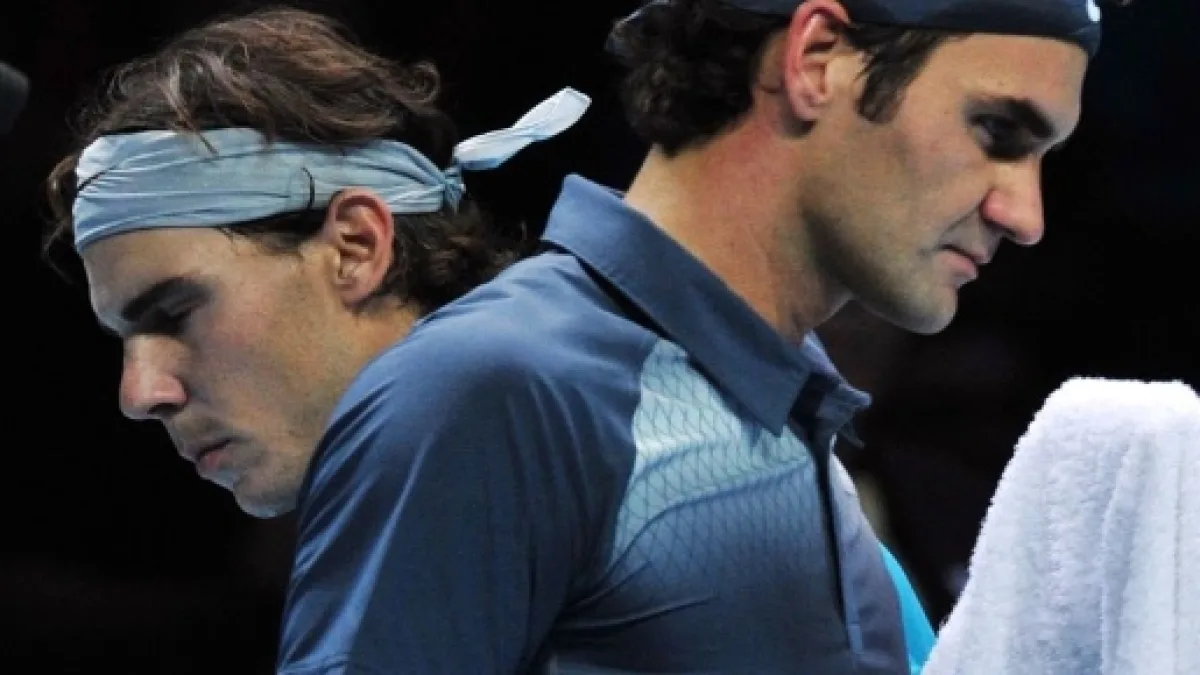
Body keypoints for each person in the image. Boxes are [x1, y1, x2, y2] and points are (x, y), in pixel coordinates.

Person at [255, 0, 1127, 672]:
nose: (1026, 215)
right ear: (817, 57)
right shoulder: (497, 383)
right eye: (996, 131)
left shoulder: (797, 427)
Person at [44, 7, 587, 519]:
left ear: (355, 247)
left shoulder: (544, 470)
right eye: (125, 339)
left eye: (176, 314)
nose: (139, 395)